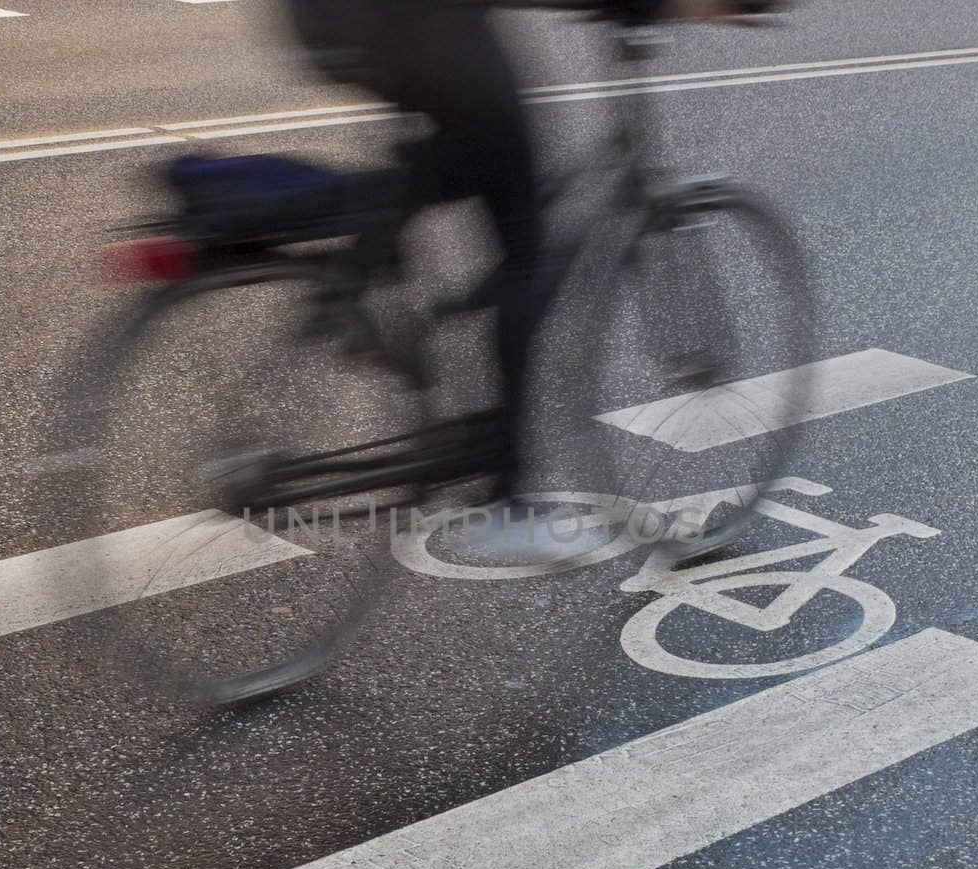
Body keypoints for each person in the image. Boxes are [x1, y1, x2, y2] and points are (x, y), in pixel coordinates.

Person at [282, 0, 783, 506]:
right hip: (402, 23)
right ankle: (507, 499)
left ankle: (359, 264)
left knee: (474, 154)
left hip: (357, 22)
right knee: (521, 238)